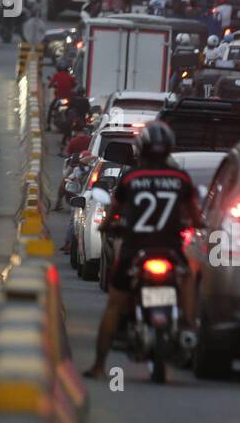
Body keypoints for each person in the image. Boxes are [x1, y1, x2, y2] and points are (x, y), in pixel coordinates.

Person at [83, 122, 200, 379]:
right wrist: (195, 224)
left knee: (114, 305)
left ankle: (100, 365)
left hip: (135, 249)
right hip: (170, 248)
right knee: (189, 276)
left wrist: (106, 226)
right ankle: (189, 325)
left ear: (142, 150)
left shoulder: (131, 178)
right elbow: (195, 215)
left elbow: (114, 212)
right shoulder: (181, 179)